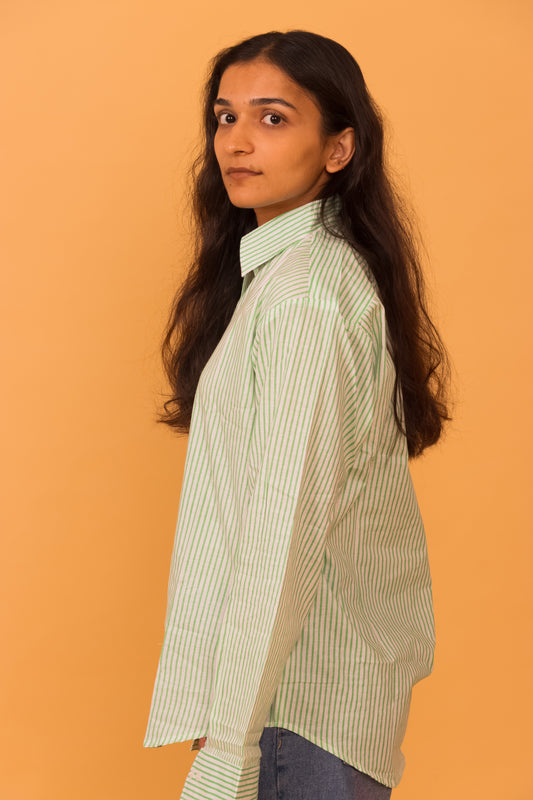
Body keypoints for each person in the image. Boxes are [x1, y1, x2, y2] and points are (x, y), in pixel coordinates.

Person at [144, 30, 450, 800]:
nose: (237, 141)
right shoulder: (288, 279)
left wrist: (230, 743)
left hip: (297, 715)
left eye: (272, 118)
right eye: (225, 116)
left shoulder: (304, 299)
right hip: (292, 709)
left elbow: (280, 530)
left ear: (338, 149)